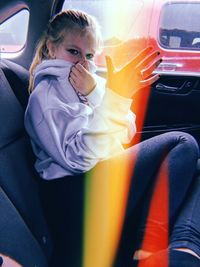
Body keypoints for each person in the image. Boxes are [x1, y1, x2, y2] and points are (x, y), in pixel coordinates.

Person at [24, 9, 199, 267]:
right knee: (182, 144)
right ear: (52, 48)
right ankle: (148, 250)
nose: (82, 63)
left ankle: (185, 248)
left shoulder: (85, 84)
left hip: (96, 177)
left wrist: (100, 93)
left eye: (90, 55)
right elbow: (77, 159)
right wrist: (113, 97)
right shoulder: (47, 96)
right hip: (75, 195)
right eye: (73, 52)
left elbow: (126, 130)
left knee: (194, 167)